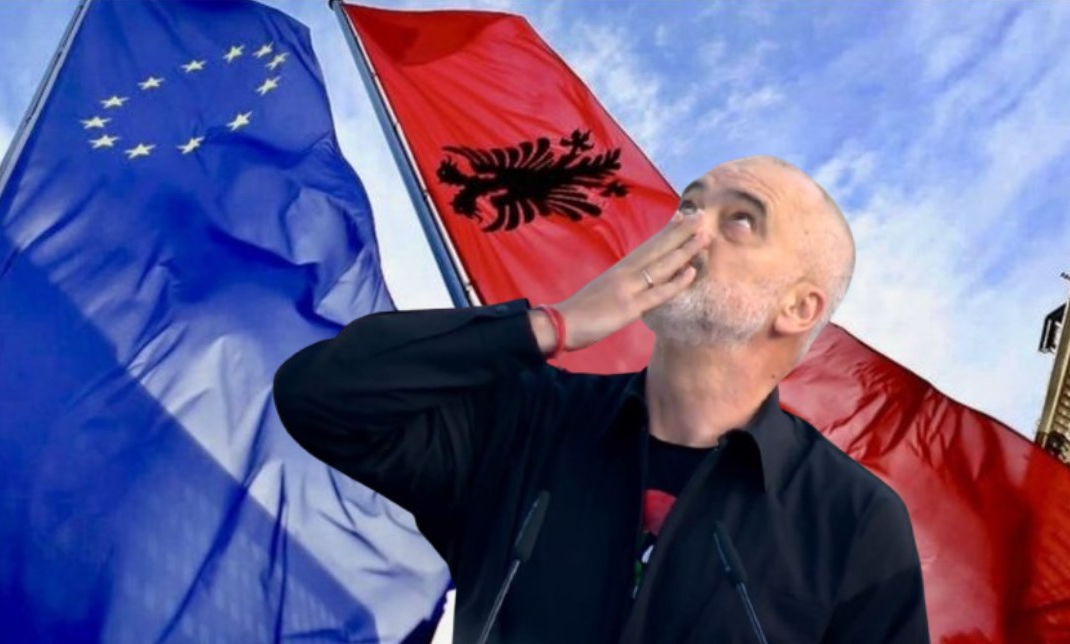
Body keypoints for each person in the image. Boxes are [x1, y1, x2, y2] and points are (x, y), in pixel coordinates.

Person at [273, 156, 930, 643]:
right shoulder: (525, 420)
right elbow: (321, 396)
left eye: (739, 220)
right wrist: (553, 324)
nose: (690, 229)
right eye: (689, 206)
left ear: (798, 308)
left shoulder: (851, 517)